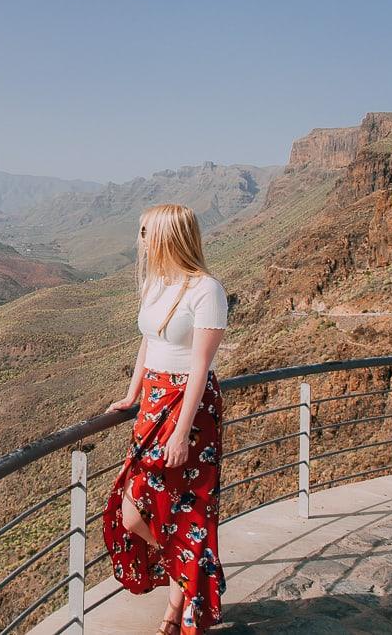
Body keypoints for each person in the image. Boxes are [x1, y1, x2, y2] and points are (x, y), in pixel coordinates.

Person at [102, 203, 228, 634]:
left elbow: (200, 366)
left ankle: (177, 609)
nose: (139, 239)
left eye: (145, 232)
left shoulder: (206, 290)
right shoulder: (156, 283)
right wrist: (132, 393)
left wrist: (179, 433)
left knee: (187, 508)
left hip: (189, 409)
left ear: (168, 237)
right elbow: (148, 342)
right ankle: (191, 574)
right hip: (154, 400)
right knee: (133, 511)